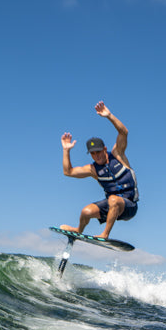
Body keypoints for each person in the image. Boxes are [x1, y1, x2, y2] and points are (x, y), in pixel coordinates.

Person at [60, 101, 138, 240]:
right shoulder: (93, 169)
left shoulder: (118, 155)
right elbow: (68, 172)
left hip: (129, 206)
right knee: (86, 211)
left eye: (98, 152)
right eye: (93, 154)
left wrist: (109, 116)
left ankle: (105, 234)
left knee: (114, 199)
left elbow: (123, 132)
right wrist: (66, 150)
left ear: (104, 149)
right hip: (111, 205)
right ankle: (78, 230)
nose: (96, 156)